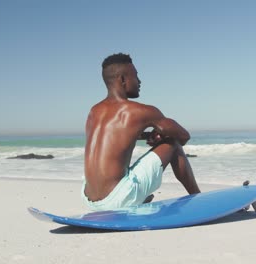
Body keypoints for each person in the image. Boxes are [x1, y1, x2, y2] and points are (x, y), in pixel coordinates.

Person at [82, 53, 201, 211]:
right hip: (118, 199)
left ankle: (137, 199)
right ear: (123, 79)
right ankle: (198, 199)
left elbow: (117, 137)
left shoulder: (94, 112)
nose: (139, 81)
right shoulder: (140, 111)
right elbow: (184, 136)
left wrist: (150, 135)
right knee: (173, 143)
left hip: (89, 200)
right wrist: (163, 136)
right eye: (136, 76)